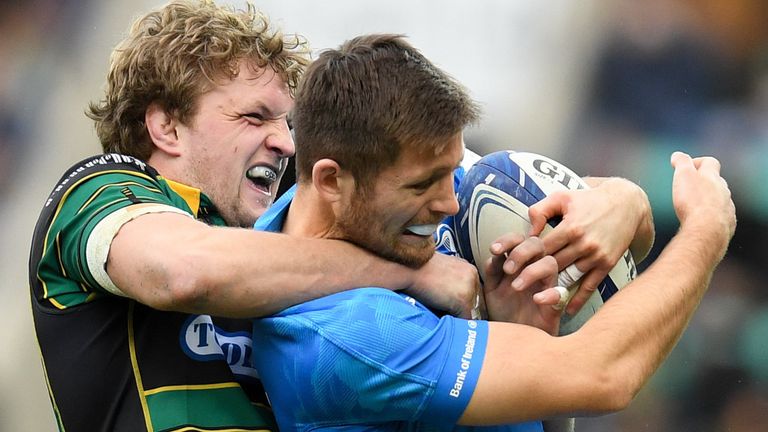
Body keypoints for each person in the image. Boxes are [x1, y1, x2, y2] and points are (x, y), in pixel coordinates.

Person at [28, 1, 652, 431]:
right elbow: (184, 272)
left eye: (286, 122)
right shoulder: (102, 190)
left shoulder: (290, 231)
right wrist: (410, 276)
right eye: (253, 117)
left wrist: (625, 200)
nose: (282, 141)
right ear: (164, 125)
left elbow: (511, 189)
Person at [249, 34, 736, 431]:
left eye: (452, 168)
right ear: (332, 180)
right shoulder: (346, 338)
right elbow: (602, 377)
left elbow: (606, 225)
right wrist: (705, 232)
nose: (451, 201)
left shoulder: (374, 204)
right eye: (424, 185)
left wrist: (623, 201)